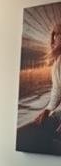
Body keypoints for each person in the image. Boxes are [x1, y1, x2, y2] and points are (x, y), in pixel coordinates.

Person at [16, 22, 61, 153]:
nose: (54, 38)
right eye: (54, 34)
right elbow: (57, 91)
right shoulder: (57, 63)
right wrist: (47, 110)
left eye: (58, 34)